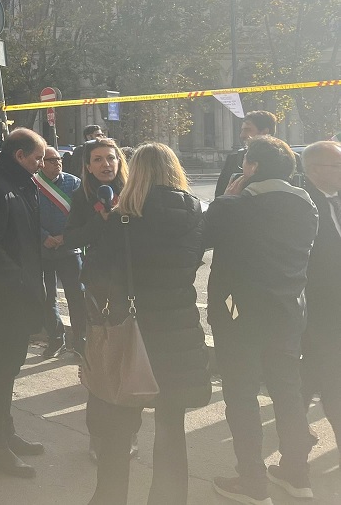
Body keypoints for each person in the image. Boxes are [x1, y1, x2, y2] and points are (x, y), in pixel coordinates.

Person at [78, 143, 211, 505]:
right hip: (179, 333)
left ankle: (109, 499)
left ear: (135, 172)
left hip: (131, 333)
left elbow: (93, 276)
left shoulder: (121, 219)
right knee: (171, 428)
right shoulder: (196, 216)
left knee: (117, 430)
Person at [204, 136, 318, 504]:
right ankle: (297, 475)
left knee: (241, 396)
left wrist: (227, 198)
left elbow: (201, 238)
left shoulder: (235, 206)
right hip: (287, 312)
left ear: (251, 167)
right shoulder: (307, 206)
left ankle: (252, 481)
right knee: (287, 392)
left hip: (239, 314)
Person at [0, 128, 48, 478]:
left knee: (10, 365)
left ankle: (7, 434)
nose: (41, 163)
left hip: (23, 292)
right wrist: (20, 280)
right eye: (37, 157)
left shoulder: (22, 183)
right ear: (19, 155)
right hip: (9, 297)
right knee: (4, 369)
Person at [63, 138, 138, 462]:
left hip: (131, 286)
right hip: (98, 287)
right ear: (88, 166)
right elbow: (72, 237)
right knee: (101, 360)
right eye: (98, 159)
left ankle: (129, 433)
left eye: (110, 158)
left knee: (129, 359)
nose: (106, 164)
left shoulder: (134, 191)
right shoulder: (83, 196)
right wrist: (100, 220)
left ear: (120, 162)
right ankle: (99, 436)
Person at [300, 141, 341, 468]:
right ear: (314, 169)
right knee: (329, 381)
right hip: (316, 309)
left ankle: (293, 452)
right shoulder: (300, 204)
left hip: (334, 312)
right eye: (336, 165)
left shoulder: (337, 199)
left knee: (311, 378)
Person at [35, 146, 85, 357]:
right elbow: (26, 215)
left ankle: (81, 342)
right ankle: (56, 339)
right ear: (41, 163)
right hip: (43, 250)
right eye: (52, 160)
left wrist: (66, 237)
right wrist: (43, 237)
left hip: (69, 250)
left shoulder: (74, 183)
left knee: (77, 297)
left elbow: (82, 216)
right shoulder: (32, 184)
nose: (57, 163)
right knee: (47, 298)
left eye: (59, 160)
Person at [214, 110, 277, 198]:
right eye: (242, 130)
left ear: (264, 132)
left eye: (247, 130)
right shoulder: (234, 160)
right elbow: (219, 196)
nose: (242, 135)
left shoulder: (288, 160)